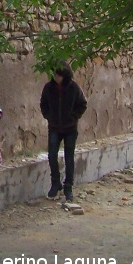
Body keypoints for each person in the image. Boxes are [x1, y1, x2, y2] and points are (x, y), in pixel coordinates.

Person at [40, 61, 88, 202]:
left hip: (70, 128)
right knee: (52, 155)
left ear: (65, 75)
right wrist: (49, 116)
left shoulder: (73, 88)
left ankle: (68, 187)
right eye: (54, 75)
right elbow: (43, 104)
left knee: (69, 157)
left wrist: (73, 117)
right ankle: (55, 183)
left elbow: (82, 104)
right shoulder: (48, 88)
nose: (56, 78)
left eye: (59, 75)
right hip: (54, 127)